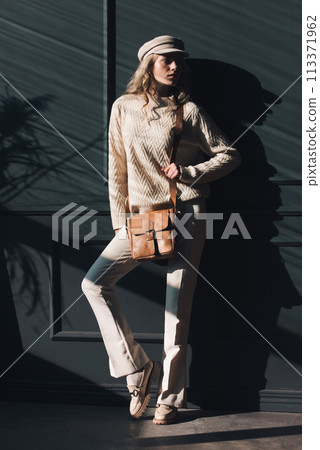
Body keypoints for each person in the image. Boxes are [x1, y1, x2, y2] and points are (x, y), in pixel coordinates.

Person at [81, 35, 241, 425]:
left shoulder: (188, 110)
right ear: (148, 65)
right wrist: (121, 222)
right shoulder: (124, 108)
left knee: (176, 311)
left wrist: (190, 172)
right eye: (166, 60)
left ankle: (169, 398)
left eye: (178, 61)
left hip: (186, 212)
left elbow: (230, 154)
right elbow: (116, 169)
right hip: (141, 219)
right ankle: (137, 369)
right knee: (93, 283)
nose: (174, 66)